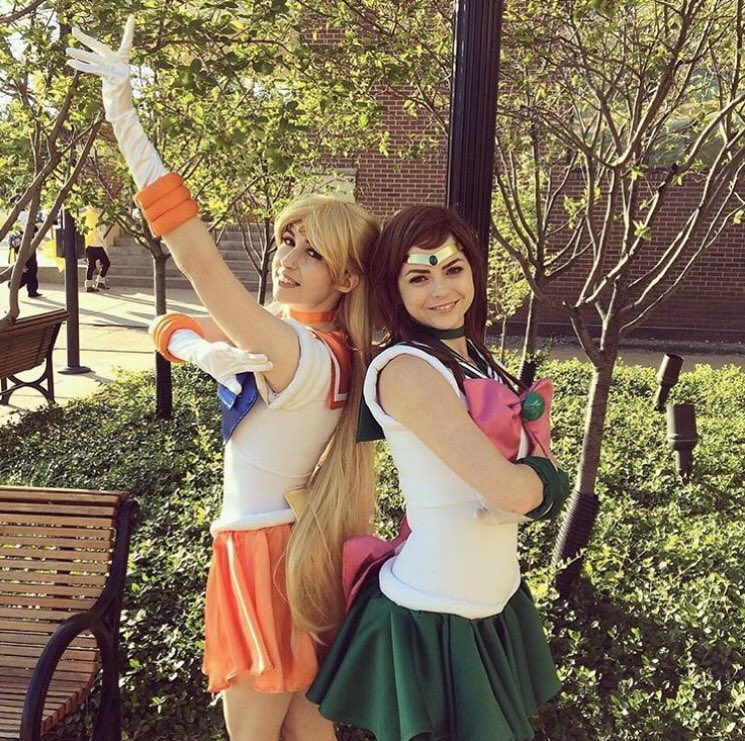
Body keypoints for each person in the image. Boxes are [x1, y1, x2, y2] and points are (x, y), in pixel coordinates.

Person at [67, 18, 379, 741]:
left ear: (347, 277)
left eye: (312, 253)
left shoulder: (293, 347)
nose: (288, 259)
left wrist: (125, 119)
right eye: (288, 241)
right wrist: (195, 347)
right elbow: (168, 323)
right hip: (301, 546)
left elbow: (197, 259)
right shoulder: (325, 346)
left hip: (261, 553)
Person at [307, 205, 567, 741]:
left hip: (490, 601)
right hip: (433, 615)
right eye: (419, 277)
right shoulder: (407, 369)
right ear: (394, 289)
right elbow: (512, 491)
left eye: (453, 269)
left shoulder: (473, 357)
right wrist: (548, 477)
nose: (442, 289)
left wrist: (533, 476)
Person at [8, 208, 42, 298]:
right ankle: (15, 285)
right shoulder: (26, 215)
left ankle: (32, 290)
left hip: (17, 244)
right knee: (32, 268)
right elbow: (34, 228)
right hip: (26, 245)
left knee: (30, 267)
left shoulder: (14, 215)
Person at [83, 208, 112, 292]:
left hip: (89, 244)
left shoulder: (88, 217)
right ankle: (100, 282)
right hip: (97, 245)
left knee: (91, 265)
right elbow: (101, 234)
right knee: (106, 263)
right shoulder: (99, 219)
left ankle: (89, 285)